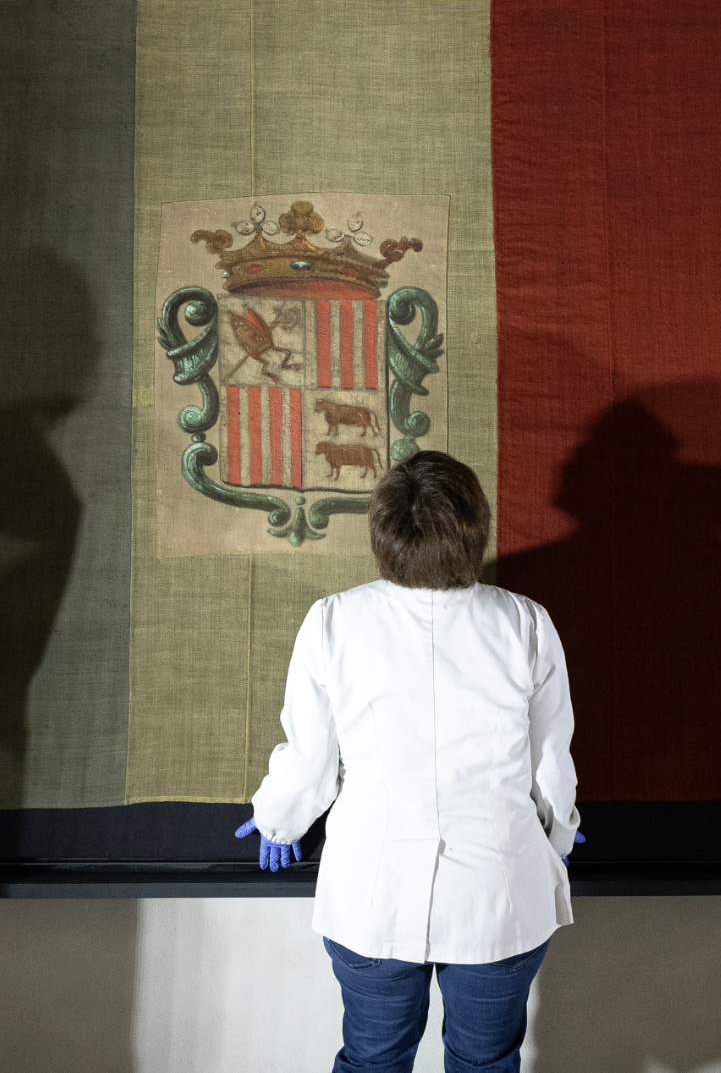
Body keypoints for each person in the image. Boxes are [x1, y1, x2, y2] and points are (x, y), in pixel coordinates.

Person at [237, 450, 582, 1073]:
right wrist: (557, 835)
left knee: (372, 1062)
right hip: (498, 891)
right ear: (475, 527)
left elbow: (311, 763)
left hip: (372, 891)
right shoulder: (527, 625)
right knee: (485, 1064)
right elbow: (550, 766)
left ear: (383, 532)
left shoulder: (333, 621)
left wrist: (277, 821)